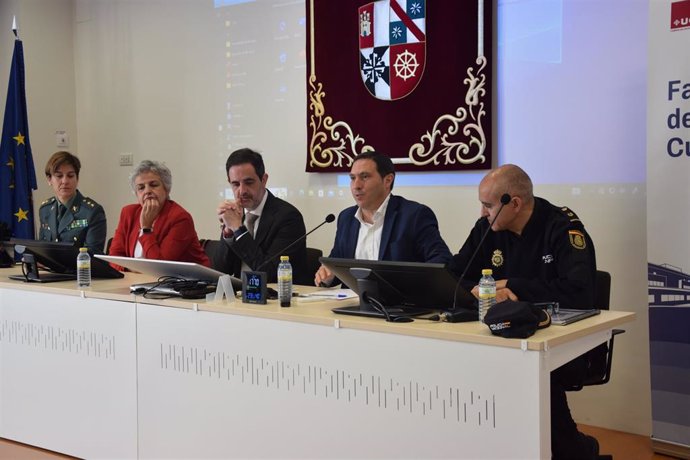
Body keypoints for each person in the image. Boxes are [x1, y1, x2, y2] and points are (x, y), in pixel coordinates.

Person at [450, 164, 600, 460]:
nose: (482, 213)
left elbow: (578, 291)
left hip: (560, 340)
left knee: (532, 373)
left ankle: (574, 451)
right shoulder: (487, 228)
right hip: (500, 334)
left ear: (514, 204)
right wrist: (479, 290)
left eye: (487, 205)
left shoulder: (562, 228)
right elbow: (454, 273)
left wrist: (510, 284)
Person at [315, 150, 452, 286]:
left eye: (364, 177)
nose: (356, 185)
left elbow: (441, 262)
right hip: (353, 304)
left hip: (399, 304)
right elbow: (337, 263)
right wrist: (328, 274)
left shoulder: (414, 215)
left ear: (387, 180)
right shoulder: (346, 218)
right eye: (352, 178)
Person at [214, 148, 308, 284]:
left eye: (249, 182)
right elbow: (219, 272)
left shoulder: (288, 217)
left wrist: (239, 230)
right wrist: (228, 233)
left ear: (264, 180)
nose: (242, 191)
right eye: (235, 184)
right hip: (239, 299)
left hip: (276, 300)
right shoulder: (235, 215)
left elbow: (269, 274)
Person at [109, 160, 209, 266]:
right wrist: (131, 270)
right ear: (136, 194)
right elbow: (115, 257)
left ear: (166, 189)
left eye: (154, 185)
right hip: (139, 280)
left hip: (189, 280)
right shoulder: (128, 213)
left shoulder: (180, 218)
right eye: (141, 188)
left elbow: (161, 266)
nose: (147, 191)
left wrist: (146, 229)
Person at [38, 151, 106, 253]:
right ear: (49, 179)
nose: (65, 181)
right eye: (59, 176)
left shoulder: (92, 212)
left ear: (77, 178)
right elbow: (42, 247)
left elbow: (93, 254)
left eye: (70, 176)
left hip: (78, 269)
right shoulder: (45, 209)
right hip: (50, 269)